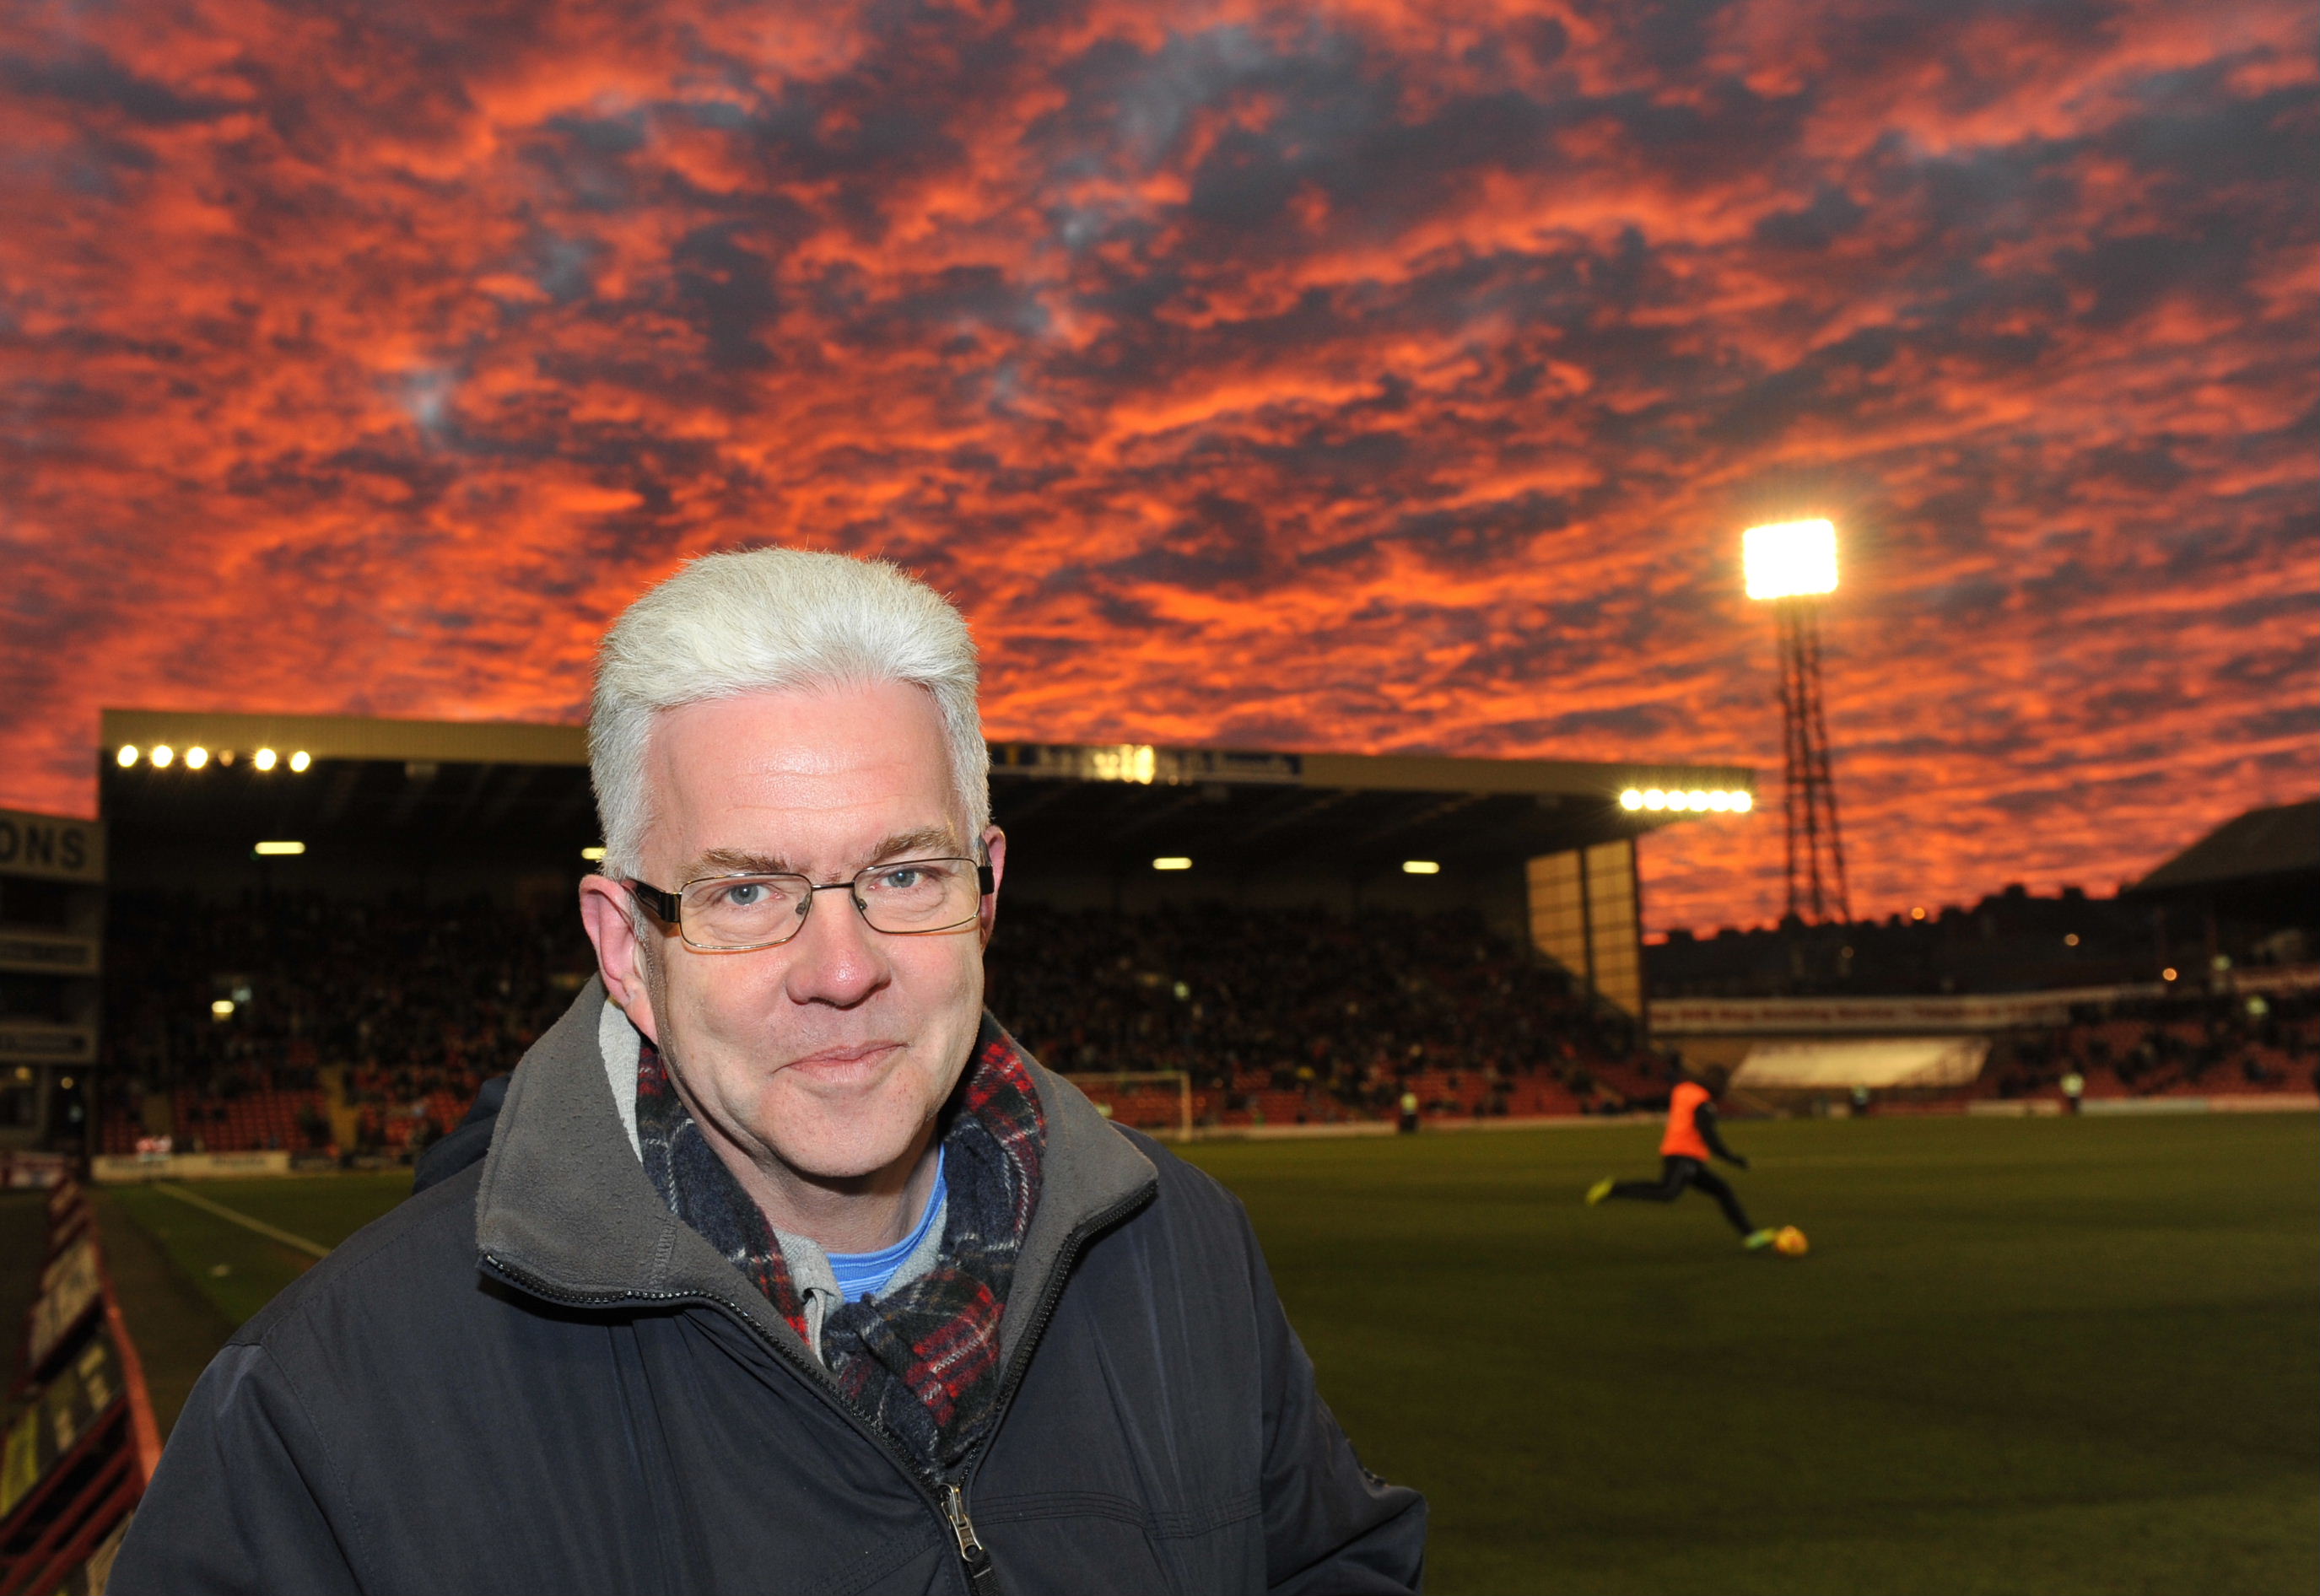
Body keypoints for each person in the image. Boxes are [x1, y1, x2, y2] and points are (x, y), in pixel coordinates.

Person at [114, 549, 1424, 1595]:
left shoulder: (1181, 1253)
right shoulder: (331, 1394)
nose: (841, 969)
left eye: (905, 874)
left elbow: (1328, 1564)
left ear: (986, 894)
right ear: (627, 944)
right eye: (747, 892)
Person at [1587, 1064, 1778, 1250]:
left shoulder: (1684, 1091)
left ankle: (1751, 1236)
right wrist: (1734, 1159)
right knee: (1667, 1192)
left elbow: (1659, 1100)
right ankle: (1613, 1189)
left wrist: (1633, 1102)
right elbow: (1710, 1138)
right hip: (1684, 1156)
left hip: (1680, 1154)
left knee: (1722, 1191)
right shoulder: (1703, 1104)